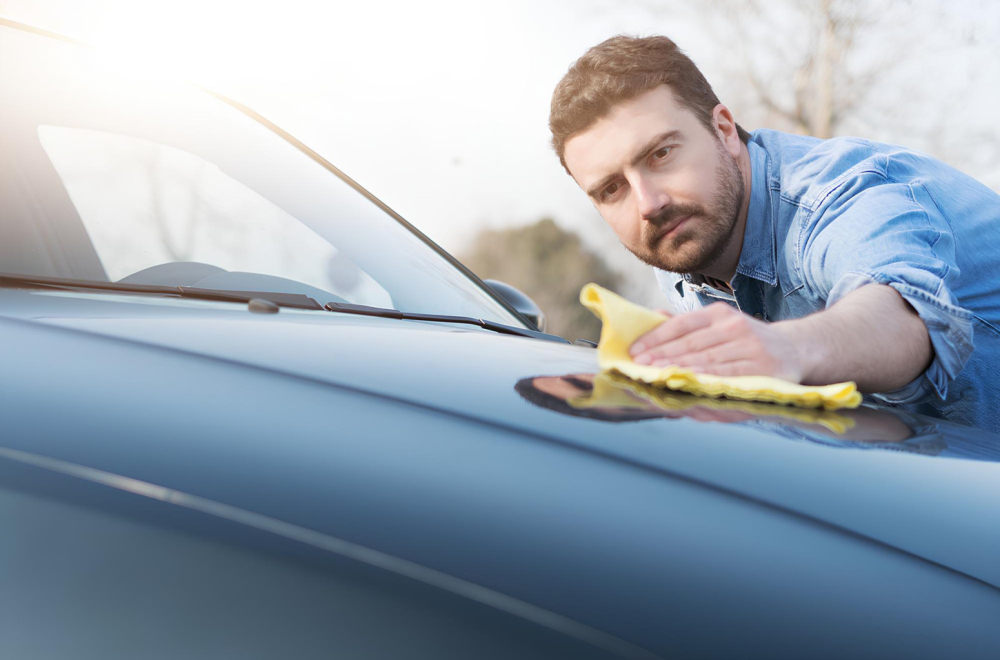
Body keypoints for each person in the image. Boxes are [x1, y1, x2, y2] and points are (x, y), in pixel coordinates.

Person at [548, 35, 1000, 431]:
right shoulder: (681, 248)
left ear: (723, 130)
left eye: (661, 154)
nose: (648, 204)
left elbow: (902, 315)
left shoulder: (836, 196)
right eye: (612, 188)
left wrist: (786, 347)